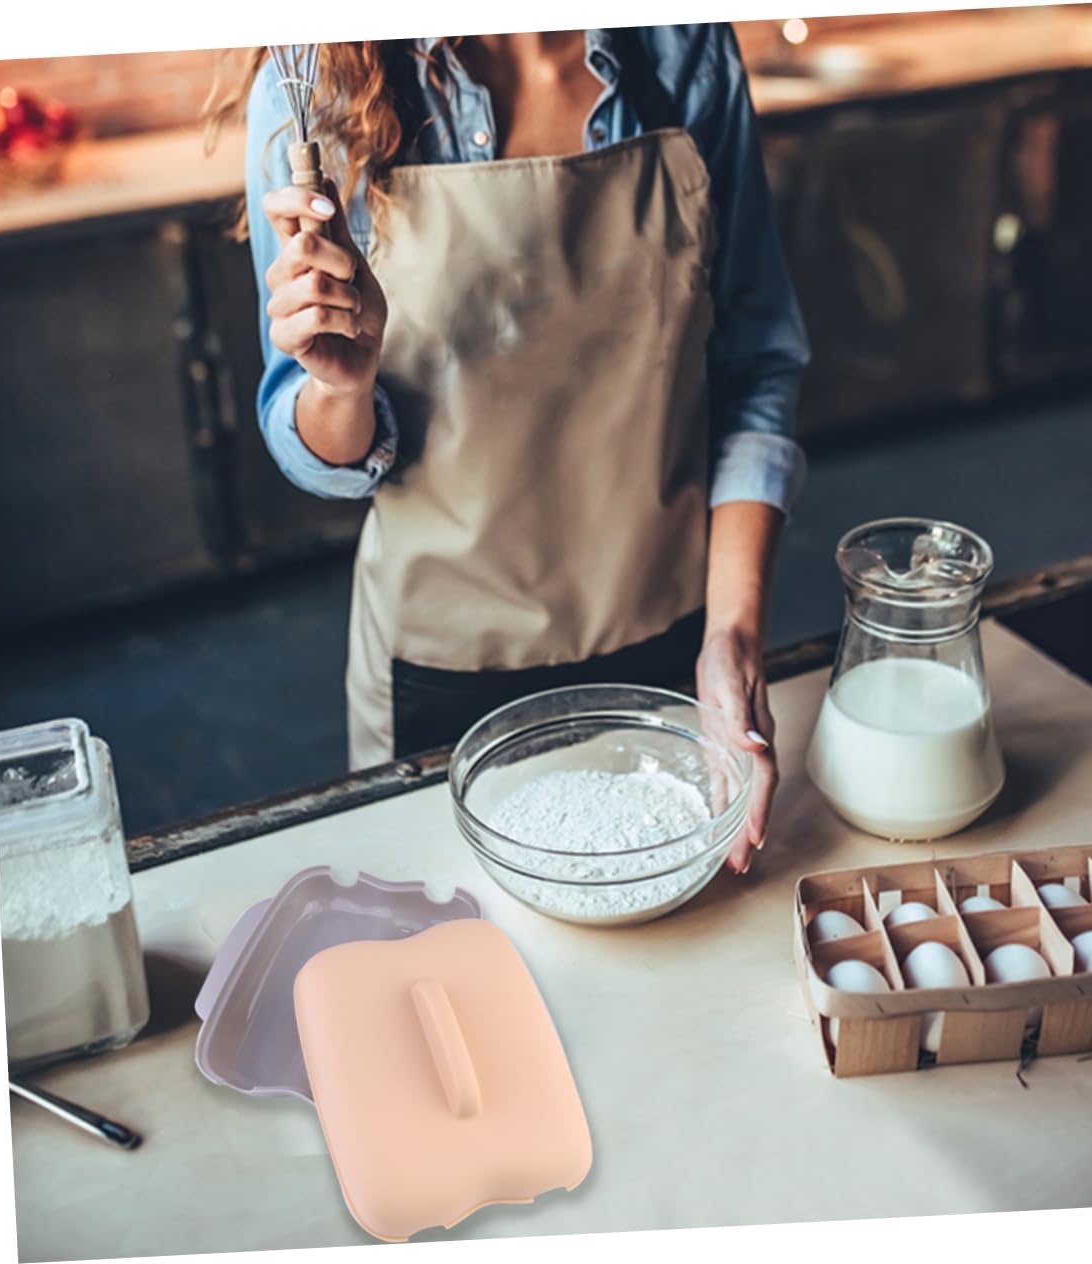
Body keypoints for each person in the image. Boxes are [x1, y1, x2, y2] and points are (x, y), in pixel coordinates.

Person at [209, 26, 809, 875]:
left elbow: (756, 366)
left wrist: (734, 637)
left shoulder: (682, 49)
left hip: (670, 636)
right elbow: (313, 448)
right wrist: (342, 386)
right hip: (438, 664)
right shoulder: (316, 84)